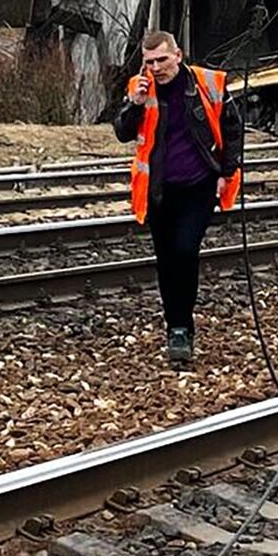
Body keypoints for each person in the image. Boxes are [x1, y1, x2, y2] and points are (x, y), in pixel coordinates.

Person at [112, 30, 244, 366]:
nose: (156, 67)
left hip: (198, 187)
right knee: (167, 261)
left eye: (162, 60)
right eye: (150, 61)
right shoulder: (139, 88)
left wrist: (226, 173)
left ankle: (182, 328)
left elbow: (233, 128)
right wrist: (135, 104)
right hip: (158, 191)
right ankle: (175, 326)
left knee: (185, 250)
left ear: (178, 55)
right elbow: (123, 132)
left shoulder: (206, 84)